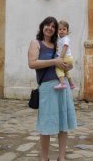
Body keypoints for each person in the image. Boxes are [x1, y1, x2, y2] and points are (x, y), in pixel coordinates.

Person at [28, 16, 77, 161]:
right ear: (42, 27)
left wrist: (68, 65)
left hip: (63, 86)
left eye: (53, 26)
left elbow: (69, 63)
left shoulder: (59, 43)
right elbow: (32, 63)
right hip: (47, 88)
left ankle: (61, 157)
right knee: (46, 124)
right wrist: (54, 61)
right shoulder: (36, 43)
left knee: (63, 123)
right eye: (47, 25)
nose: (50, 28)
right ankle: (45, 158)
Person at [53, 20, 75, 90]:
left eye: (64, 29)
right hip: (68, 58)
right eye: (60, 29)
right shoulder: (60, 39)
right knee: (65, 70)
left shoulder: (65, 39)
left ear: (67, 31)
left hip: (66, 57)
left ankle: (62, 83)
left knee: (58, 67)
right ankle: (71, 84)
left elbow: (65, 47)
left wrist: (60, 57)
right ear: (57, 31)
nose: (62, 31)